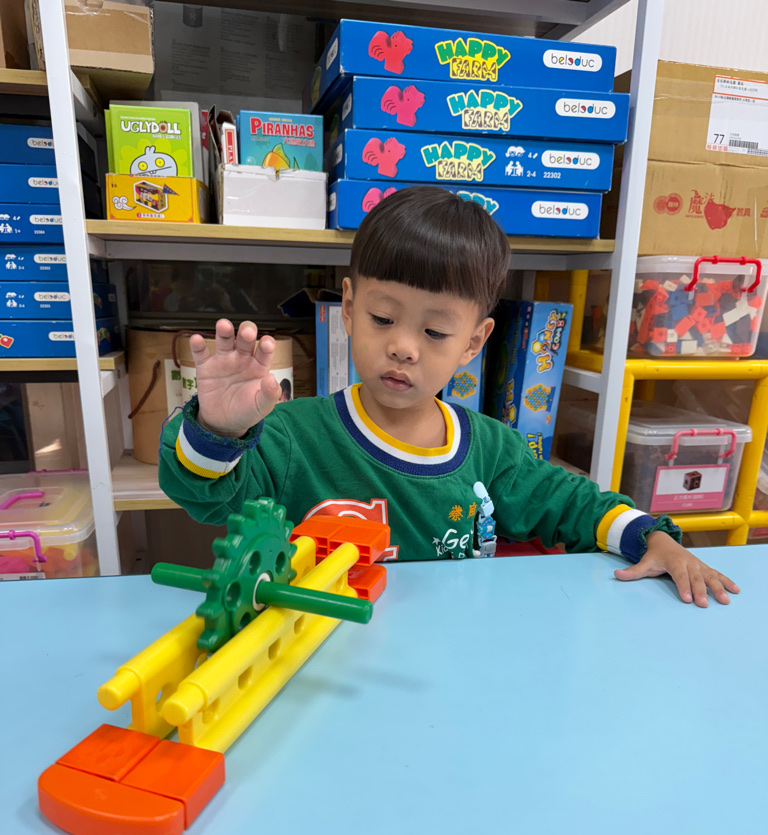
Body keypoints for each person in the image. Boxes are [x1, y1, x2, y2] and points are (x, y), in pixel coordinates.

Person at [158, 186, 739, 608]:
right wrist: (219, 430)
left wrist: (653, 537)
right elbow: (205, 497)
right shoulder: (291, 436)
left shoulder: (492, 449)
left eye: (435, 331)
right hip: (322, 657)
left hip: (455, 659)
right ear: (350, 308)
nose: (403, 347)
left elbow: (571, 504)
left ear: (474, 342)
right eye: (382, 318)